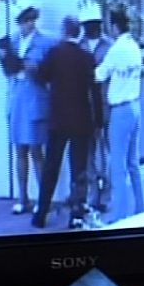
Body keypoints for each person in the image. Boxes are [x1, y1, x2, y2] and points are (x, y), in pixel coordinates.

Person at [32, 16, 101, 230]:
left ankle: (41, 213)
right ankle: (77, 214)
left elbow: (41, 75)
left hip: (58, 119)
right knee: (79, 169)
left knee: (51, 167)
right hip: (81, 120)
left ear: (64, 31)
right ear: (78, 33)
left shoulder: (55, 53)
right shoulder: (87, 57)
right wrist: (99, 121)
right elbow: (95, 92)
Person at [0, 1, 55, 214]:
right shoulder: (11, 41)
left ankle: (43, 200)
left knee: (37, 150)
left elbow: (50, 72)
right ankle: (23, 198)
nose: (28, 24)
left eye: (31, 19)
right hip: (16, 99)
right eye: (24, 20)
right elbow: (7, 71)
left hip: (35, 99)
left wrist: (35, 68)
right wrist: (4, 59)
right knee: (19, 150)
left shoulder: (47, 41)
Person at [95, 9, 144, 224]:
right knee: (133, 162)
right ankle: (141, 208)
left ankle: (120, 216)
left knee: (118, 165)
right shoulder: (134, 47)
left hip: (120, 110)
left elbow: (99, 75)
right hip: (135, 106)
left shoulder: (116, 49)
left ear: (115, 27)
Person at [77, 3, 113, 215]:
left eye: (94, 24)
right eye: (87, 25)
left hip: (106, 106)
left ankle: (108, 194)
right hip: (85, 108)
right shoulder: (79, 46)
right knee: (88, 154)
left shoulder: (110, 46)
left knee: (108, 153)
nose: (91, 28)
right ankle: (92, 195)